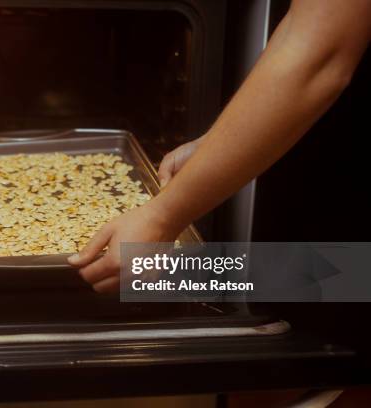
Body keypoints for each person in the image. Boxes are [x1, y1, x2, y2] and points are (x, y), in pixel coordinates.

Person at [67, 0, 371, 292]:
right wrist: (215, 146)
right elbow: (300, 27)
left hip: (348, 209)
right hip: (318, 190)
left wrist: (161, 218)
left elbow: (320, 52)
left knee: (334, 302)